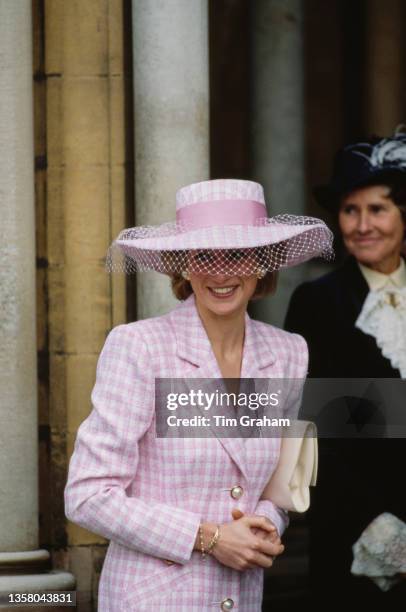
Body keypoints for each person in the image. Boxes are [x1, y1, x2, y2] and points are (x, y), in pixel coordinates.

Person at [64, 179, 332, 612]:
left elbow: (278, 482)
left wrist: (265, 521)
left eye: (237, 254)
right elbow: (88, 495)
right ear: (182, 267)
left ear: (262, 262)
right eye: (204, 255)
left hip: (241, 597)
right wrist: (209, 538)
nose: (220, 271)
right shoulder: (140, 347)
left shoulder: (288, 353)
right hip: (152, 599)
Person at [284, 134, 406, 607]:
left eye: (377, 209)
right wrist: (376, 524)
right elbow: (312, 430)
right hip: (355, 530)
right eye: (350, 211)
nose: (362, 225)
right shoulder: (317, 303)